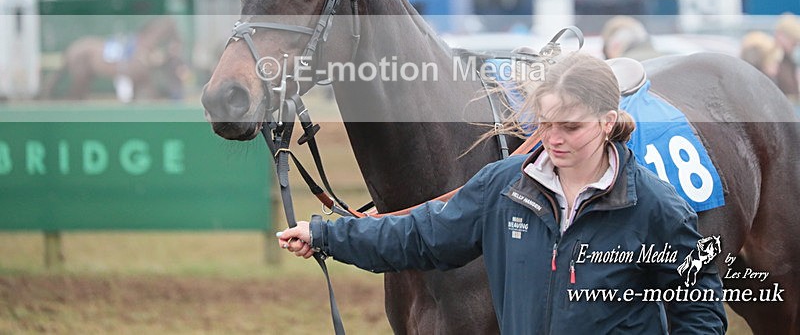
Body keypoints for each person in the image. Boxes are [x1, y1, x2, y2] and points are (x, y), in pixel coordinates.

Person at [277, 53, 727, 334]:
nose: (554, 139)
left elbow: (700, 314)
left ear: (608, 122)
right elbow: (421, 236)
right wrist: (326, 236)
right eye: (546, 125)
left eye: (571, 127)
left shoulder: (659, 209)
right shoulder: (504, 185)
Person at [773, 13, 800, 101]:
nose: (794, 47)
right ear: (780, 35)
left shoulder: (789, 61)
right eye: (793, 43)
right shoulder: (771, 61)